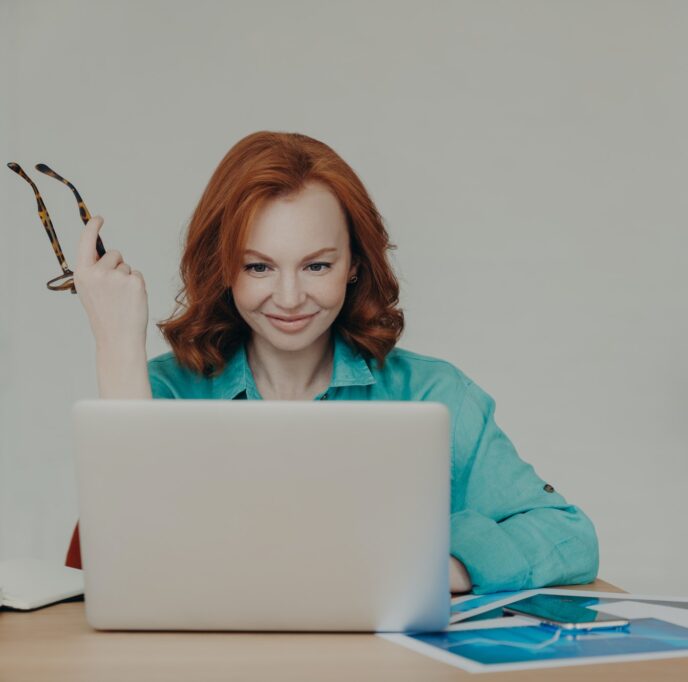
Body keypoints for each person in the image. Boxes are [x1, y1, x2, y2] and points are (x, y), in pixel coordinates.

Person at [67, 131, 599, 594]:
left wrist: (454, 565)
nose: (291, 296)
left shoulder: (434, 395)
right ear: (224, 269)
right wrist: (116, 344)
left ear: (354, 265)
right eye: (258, 267)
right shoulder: (162, 393)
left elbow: (567, 535)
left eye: (317, 264)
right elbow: (126, 561)